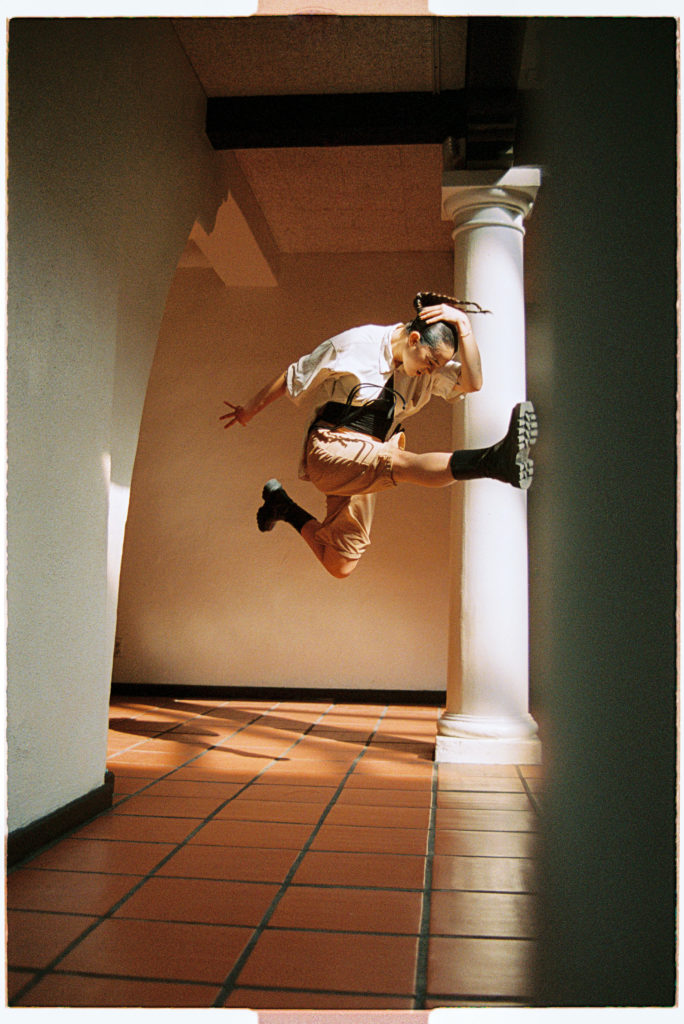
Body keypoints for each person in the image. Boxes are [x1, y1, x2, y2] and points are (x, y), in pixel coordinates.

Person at [220, 292, 537, 580]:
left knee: (340, 563)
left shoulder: (425, 366)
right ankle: (492, 461)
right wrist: (248, 410)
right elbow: (295, 376)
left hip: (369, 455)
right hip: (332, 448)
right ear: (414, 339)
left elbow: (473, 382)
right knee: (398, 462)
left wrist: (464, 326)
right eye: (430, 362)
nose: (431, 371)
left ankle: (282, 506)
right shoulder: (357, 344)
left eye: (437, 366)